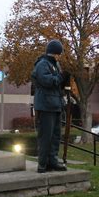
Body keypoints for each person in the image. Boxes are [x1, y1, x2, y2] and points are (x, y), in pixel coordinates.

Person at [32, 39, 70, 173]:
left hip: (55, 104)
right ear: (55, 52)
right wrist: (60, 77)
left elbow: (57, 84)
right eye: (58, 53)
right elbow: (46, 81)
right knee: (46, 136)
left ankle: (52, 161)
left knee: (55, 136)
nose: (59, 56)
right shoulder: (43, 64)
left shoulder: (55, 65)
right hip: (45, 105)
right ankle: (42, 164)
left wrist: (64, 81)